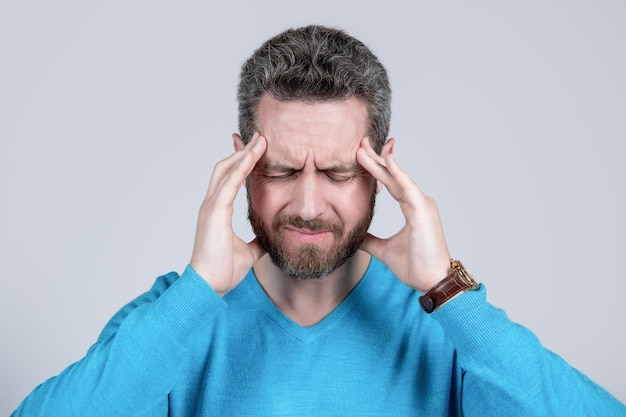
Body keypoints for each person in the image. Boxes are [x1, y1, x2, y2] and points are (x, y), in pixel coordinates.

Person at [11, 25, 626, 417]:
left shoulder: (445, 319)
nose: (307, 206)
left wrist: (448, 289)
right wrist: (198, 292)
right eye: (279, 171)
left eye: (336, 173)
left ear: (383, 165)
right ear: (239, 160)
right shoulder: (175, 316)